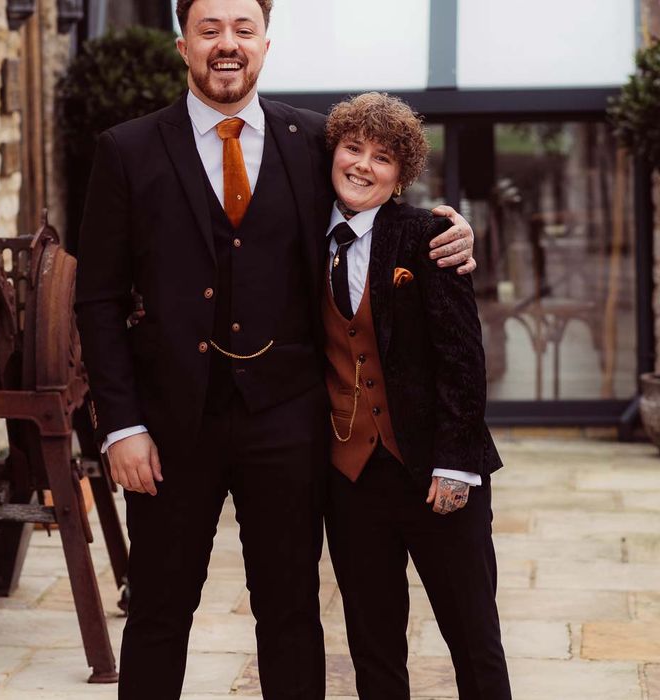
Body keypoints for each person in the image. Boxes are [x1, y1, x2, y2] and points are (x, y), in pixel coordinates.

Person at [74, 1, 476, 698]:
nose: (226, 45)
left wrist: (453, 234)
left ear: (265, 43)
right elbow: (98, 300)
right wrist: (122, 426)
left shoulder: (315, 142)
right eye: (209, 30)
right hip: (169, 428)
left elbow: (376, 207)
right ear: (182, 45)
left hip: (288, 423)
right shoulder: (126, 150)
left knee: (291, 615)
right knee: (159, 614)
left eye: (242, 30)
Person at [321, 91, 511, 700]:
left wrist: (456, 464)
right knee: (373, 651)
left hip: (437, 472)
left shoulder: (429, 236)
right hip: (353, 482)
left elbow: (463, 360)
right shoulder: (302, 240)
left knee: (474, 641)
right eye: (353, 149)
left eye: (382, 157)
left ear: (401, 175)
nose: (362, 165)